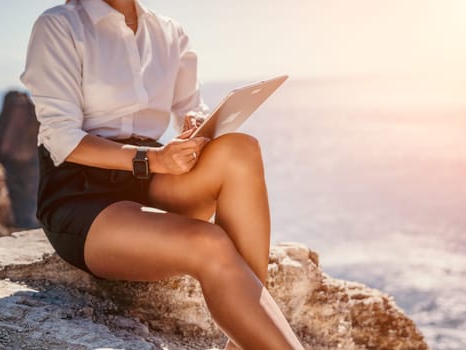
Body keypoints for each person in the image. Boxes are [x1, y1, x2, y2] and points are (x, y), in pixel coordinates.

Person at [20, 0, 305, 349]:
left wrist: (194, 126)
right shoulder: (60, 25)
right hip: (82, 193)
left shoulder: (168, 32)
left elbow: (190, 107)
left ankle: (246, 337)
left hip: (151, 176)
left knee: (240, 149)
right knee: (210, 243)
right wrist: (152, 161)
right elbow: (61, 139)